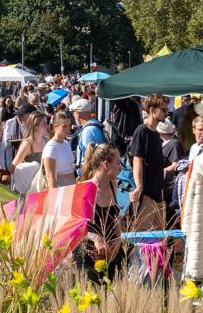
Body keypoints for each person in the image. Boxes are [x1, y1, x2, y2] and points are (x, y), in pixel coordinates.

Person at [74, 142, 125, 283]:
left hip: (111, 257)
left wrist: (118, 238)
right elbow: (75, 227)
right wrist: (96, 238)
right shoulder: (85, 189)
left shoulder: (112, 184)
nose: (120, 168)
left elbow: (115, 217)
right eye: (118, 163)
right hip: (88, 259)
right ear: (106, 164)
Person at [128, 94, 168, 230]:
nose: (166, 113)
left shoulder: (156, 134)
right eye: (163, 109)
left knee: (159, 238)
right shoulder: (141, 131)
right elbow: (137, 160)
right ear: (152, 110)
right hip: (147, 194)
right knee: (144, 238)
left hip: (158, 193)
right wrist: (139, 186)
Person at [158, 119, 185, 223]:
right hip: (163, 183)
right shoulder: (163, 143)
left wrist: (159, 171)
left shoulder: (174, 143)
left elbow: (176, 164)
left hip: (170, 184)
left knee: (170, 210)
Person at [42, 112, 76, 189]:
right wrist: (55, 195)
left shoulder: (66, 143)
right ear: (55, 126)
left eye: (69, 125)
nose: (68, 129)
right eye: (64, 126)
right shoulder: (51, 147)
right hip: (60, 187)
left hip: (71, 184)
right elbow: (50, 176)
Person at [70, 98, 105, 167]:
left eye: (73, 113)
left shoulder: (88, 130)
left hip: (89, 172)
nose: (73, 115)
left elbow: (89, 157)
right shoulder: (95, 124)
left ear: (77, 113)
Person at [1, 103, 36, 172]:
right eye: (18, 115)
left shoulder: (37, 124)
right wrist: (4, 168)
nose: (19, 117)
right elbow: (4, 147)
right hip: (15, 165)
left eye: (21, 115)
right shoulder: (11, 124)